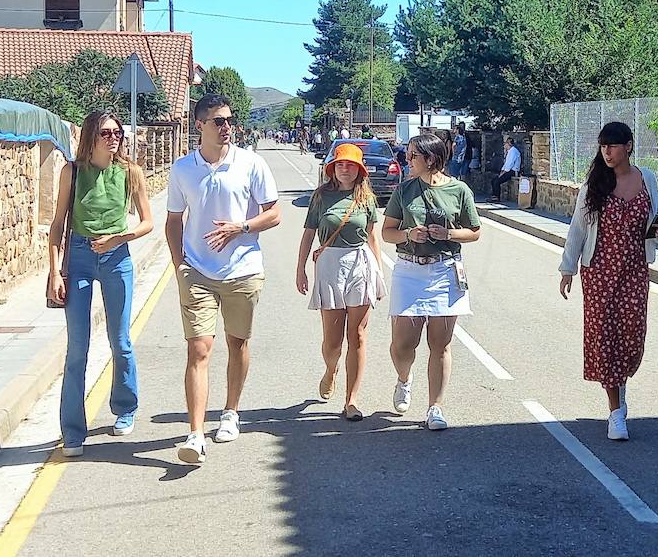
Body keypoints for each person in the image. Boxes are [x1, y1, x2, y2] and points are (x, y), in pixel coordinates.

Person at [166, 94, 281, 465]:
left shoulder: (251, 163)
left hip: (243, 270)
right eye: (218, 121)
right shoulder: (183, 169)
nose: (226, 126)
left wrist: (242, 227)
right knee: (198, 349)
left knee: (238, 343)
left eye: (229, 120)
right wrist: (179, 265)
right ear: (199, 125)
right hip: (197, 272)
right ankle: (195, 434)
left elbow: (274, 214)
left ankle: (231, 411)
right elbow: (173, 221)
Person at [47, 111, 154, 457]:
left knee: (120, 341)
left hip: (116, 257)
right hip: (78, 256)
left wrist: (118, 237)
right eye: (106, 133)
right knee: (77, 348)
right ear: (91, 135)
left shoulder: (130, 173)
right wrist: (53, 273)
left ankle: (125, 408)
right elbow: (58, 225)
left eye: (117, 133)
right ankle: (73, 431)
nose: (114, 138)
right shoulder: (72, 172)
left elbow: (148, 222)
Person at [557, 122, 658, 441]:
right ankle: (615, 411)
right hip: (599, 270)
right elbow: (578, 227)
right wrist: (568, 269)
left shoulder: (647, 178)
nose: (607, 151)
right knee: (604, 338)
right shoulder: (594, 184)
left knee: (632, 334)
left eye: (613, 145)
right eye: (603, 145)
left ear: (628, 146)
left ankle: (620, 385)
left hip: (634, 269)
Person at [381, 132, 481, 430]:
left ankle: (435, 407)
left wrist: (448, 234)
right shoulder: (405, 190)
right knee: (402, 345)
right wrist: (409, 235)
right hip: (410, 271)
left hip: (445, 271)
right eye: (407, 154)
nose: (406, 160)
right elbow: (387, 232)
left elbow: (474, 231)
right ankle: (404, 378)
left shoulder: (459, 190)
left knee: (441, 344)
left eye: (412, 156)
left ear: (431, 159)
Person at [295, 143, 387, 420]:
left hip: (360, 264)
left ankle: (351, 401)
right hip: (330, 265)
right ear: (332, 168)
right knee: (332, 342)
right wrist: (300, 269)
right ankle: (330, 368)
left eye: (351, 165)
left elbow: (372, 237)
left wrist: (379, 273)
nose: (345, 169)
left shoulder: (366, 199)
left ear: (360, 170)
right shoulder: (321, 196)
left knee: (357, 336)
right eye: (340, 164)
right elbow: (309, 233)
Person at [490, 136, 522, 202]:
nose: (504, 145)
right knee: (493, 180)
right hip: (508, 170)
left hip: (512, 171)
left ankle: (496, 197)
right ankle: (494, 196)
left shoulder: (513, 152)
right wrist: (502, 171)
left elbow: (509, 165)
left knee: (497, 181)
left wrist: (503, 173)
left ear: (509, 144)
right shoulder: (510, 151)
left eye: (505, 143)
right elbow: (506, 164)